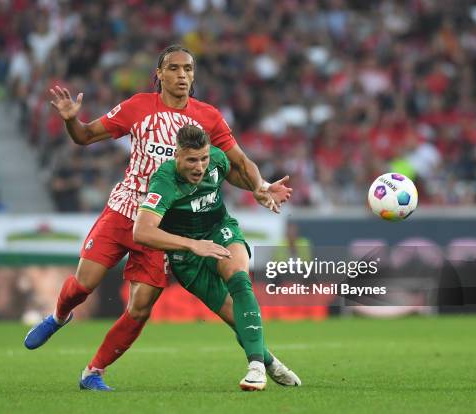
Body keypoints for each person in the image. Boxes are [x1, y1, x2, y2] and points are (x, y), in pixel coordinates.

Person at [24, 45, 292, 391]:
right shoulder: (138, 107)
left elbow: (237, 163)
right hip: (124, 210)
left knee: (140, 308)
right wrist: (70, 119)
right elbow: (85, 136)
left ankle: (93, 372)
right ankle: (60, 316)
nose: (182, 75)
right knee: (83, 285)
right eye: (174, 68)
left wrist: (261, 185)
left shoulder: (208, 116)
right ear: (160, 74)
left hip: (163, 224)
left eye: (189, 69)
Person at [133, 125, 300, 390]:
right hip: (186, 256)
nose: (199, 167)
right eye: (191, 160)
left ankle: (255, 367)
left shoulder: (218, 158)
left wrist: (260, 187)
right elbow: (141, 231)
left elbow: (236, 172)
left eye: (203, 158)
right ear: (177, 155)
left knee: (239, 278)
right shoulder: (164, 181)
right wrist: (192, 245)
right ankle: (270, 362)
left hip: (219, 229)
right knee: (236, 317)